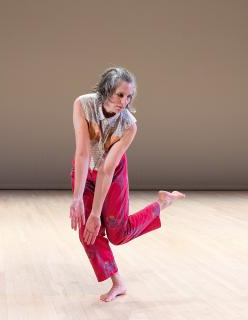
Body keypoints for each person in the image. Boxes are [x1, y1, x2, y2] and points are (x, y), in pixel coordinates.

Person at [69, 67, 185, 302]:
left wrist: (95, 213)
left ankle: (162, 203)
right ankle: (118, 283)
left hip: (113, 173)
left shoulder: (129, 125)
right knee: (87, 233)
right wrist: (77, 199)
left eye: (129, 96)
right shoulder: (83, 104)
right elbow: (82, 153)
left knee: (118, 234)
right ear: (107, 90)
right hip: (85, 170)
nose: (125, 101)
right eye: (120, 94)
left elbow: (107, 169)